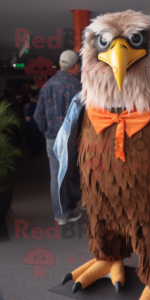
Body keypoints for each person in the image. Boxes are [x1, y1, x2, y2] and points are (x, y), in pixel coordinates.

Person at [33, 50, 82, 225]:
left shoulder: (47, 85)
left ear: (61, 65)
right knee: (73, 173)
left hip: (52, 139)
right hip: (71, 139)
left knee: (56, 176)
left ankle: (60, 216)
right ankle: (78, 206)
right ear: (75, 67)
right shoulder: (77, 85)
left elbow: (37, 116)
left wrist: (47, 133)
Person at [25, 90, 41, 156]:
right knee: (38, 141)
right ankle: (38, 153)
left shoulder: (32, 106)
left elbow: (27, 119)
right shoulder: (41, 105)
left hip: (32, 126)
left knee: (32, 141)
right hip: (40, 126)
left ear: (32, 98)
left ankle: (34, 154)